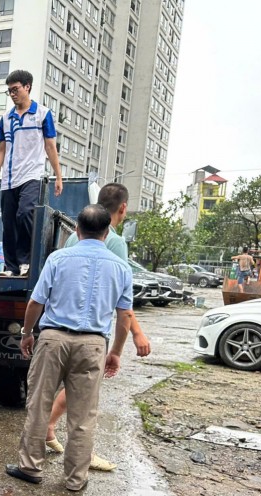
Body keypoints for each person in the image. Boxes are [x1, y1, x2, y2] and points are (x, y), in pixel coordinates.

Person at [6, 204, 134, 492]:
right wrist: (116, 352)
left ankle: (30, 468)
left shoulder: (58, 258)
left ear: (76, 229)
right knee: (83, 415)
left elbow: (36, 302)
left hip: (52, 340)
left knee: (39, 405)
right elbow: (124, 316)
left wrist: (27, 333)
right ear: (107, 232)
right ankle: (76, 480)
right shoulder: (121, 268)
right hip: (93, 345)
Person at [46, 183, 151, 470]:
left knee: (73, 388)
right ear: (123, 208)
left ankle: (49, 428)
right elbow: (121, 297)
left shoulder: (76, 239)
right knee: (85, 398)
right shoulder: (113, 241)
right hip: (91, 331)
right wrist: (136, 334)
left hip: (61, 327)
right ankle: (81, 454)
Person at [0, 69, 63, 277]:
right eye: (9, 91)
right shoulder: (6, 118)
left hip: (31, 176)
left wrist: (58, 176)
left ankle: (26, 260)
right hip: (9, 179)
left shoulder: (42, 114)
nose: (12, 94)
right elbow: (1, 150)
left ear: (27, 87)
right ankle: (11, 266)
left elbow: (50, 147)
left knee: (26, 212)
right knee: (8, 223)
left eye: (15, 89)